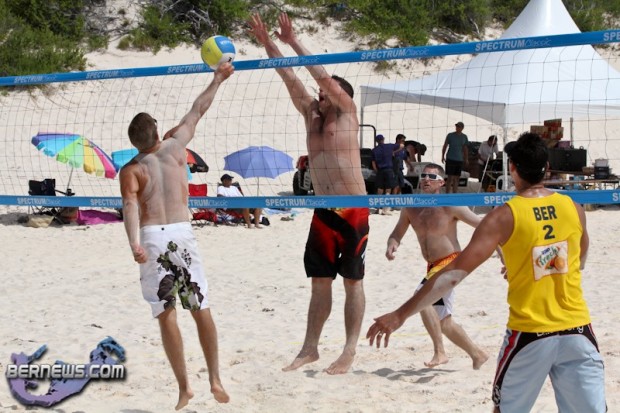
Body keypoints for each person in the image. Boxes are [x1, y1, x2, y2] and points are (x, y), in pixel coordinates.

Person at [367, 132, 606, 413]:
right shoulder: (574, 207)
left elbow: (453, 274)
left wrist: (399, 314)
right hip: (577, 331)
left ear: (513, 168)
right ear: (548, 169)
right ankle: (444, 350)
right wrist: (542, 265)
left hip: (530, 334)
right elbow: (580, 258)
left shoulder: (503, 216)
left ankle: (448, 351)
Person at [249, 12, 369, 375]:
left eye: (326, 89)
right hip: (322, 210)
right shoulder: (311, 115)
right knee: (319, 283)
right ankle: (310, 348)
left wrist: (294, 40)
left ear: (340, 93)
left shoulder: (347, 111)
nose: (319, 93)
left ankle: (348, 350)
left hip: (353, 210)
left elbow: (321, 76)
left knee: (352, 281)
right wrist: (269, 44)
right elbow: (289, 76)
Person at [119, 63, 233, 410]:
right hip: (182, 233)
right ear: (156, 132)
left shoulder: (131, 169)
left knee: (165, 311)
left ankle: (184, 388)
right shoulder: (175, 145)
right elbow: (199, 109)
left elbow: (130, 207)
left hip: (153, 235)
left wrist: (134, 245)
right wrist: (218, 77)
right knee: (200, 307)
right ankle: (214, 377)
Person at [384, 162, 489, 369]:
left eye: (431, 177)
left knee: (422, 298)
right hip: (432, 265)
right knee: (444, 322)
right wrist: (392, 243)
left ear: (441, 182)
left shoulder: (451, 205)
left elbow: (486, 227)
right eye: (423, 176)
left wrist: (502, 255)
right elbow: (397, 232)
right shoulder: (411, 207)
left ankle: (440, 353)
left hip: (451, 263)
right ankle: (477, 354)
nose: (425, 180)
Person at [371, 134, 398, 214]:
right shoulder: (389, 146)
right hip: (389, 170)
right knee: (388, 189)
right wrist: (393, 152)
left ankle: (377, 209)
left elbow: (373, 162)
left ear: (376, 141)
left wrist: (376, 170)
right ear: (383, 139)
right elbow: (402, 145)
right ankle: (385, 209)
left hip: (380, 170)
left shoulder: (374, 150)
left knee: (379, 189)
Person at [441, 122, 469, 193]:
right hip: (450, 158)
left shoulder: (464, 137)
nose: (457, 128)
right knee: (450, 177)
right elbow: (445, 145)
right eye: (456, 126)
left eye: (459, 127)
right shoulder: (450, 135)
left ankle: (455, 193)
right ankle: (447, 193)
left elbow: (465, 148)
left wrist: (466, 159)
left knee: (457, 178)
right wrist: (442, 156)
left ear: (462, 128)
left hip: (459, 159)